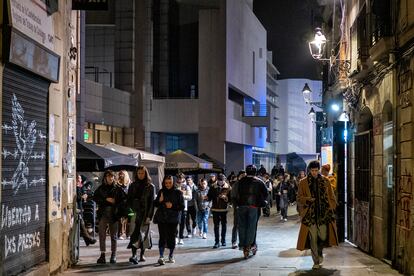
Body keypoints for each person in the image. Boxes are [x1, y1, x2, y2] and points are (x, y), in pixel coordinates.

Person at [296, 160, 339, 269]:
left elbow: (331, 195)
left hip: (323, 215)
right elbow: (299, 198)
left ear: (319, 170)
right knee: (313, 239)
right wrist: (308, 200)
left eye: (316, 170)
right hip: (310, 215)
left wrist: (332, 208)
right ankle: (316, 261)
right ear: (309, 170)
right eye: (312, 170)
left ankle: (319, 252)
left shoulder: (325, 181)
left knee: (323, 236)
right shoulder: (303, 182)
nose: (314, 172)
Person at [233, 165, 268, 259]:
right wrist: (261, 202)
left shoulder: (239, 182)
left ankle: (243, 246)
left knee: (242, 226)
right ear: (255, 172)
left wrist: (236, 205)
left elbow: (233, 194)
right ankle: (250, 245)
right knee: (252, 227)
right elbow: (266, 194)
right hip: (254, 207)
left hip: (241, 207)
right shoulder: (260, 182)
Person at [94, 170, 127, 264]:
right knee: (102, 235)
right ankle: (102, 255)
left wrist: (116, 202)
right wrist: (105, 199)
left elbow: (124, 200)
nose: (110, 178)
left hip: (114, 214)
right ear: (105, 177)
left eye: (112, 176)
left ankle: (113, 255)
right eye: (108, 176)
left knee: (114, 236)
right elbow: (95, 197)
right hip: (103, 214)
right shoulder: (101, 188)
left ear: (114, 177)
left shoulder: (118, 188)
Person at [127, 166, 156, 264]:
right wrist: (130, 215)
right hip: (134, 213)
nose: (140, 175)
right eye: (139, 173)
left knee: (144, 234)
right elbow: (129, 201)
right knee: (134, 233)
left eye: (142, 173)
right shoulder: (132, 185)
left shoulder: (150, 186)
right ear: (136, 174)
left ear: (146, 173)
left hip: (145, 214)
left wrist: (149, 216)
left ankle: (142, 255)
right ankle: (134, 255)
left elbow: (152, 203)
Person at [154, 175, 185, 265]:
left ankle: (171, 256)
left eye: (170, 183)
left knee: (172, 237)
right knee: (162, 237)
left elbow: (182, 206)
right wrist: (159, 200)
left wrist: (172, 206)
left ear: (173, 182)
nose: (167, 184)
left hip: (173, 219)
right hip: (162, 218)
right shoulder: (161, 192)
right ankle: (161, 256)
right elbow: (155, 204)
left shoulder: (178, 193)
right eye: (166, 183)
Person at [207, 173, 231, 248]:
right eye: (220, 180)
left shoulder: (228, 187)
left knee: (224, 225)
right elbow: (209, 196)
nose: (221, 182)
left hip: (224, 209)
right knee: (216, 226)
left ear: (225, 180)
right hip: (215, 209)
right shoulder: (213, 186)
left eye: (222, 181)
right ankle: (217, 242)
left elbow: (231, 198)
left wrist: (226, 198)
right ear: (217, 180)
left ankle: (223, 240)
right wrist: (206, 198)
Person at [76, 174, 96, 246]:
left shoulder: (80, 187)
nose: (79, 180)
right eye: (78, 178)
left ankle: (87, 240)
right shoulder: (75, 187)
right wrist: (82, 197)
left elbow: (90, 182)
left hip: (80, 209)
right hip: (77, 209)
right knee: (81, 224)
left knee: (82, 225)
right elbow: (77, 198)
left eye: (80, 179)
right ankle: (88, 239)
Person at [231, 170, 246, 249]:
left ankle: (243, 242)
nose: (244, 177)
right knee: (236, 225)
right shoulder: (236, 184)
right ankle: (234, 241)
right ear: (239, 176)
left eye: (245, 175)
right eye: (243, 175)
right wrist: (236, 206)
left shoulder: (247, 184)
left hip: (246, 208)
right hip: (238, 208)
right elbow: (233, 197)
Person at [176, 174, 192, 244]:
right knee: (175, 223)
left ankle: (181, 238)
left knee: (182, 224)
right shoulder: (175, 186)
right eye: (179, 178)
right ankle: (175, 237)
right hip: (175, 208)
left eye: (181, 178)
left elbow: (190, 197)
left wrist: (182, 196)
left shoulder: (186, 187)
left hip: (184, 208)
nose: (180, 180)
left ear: (183, 179)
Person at [117, 170, 131, 240]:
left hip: (129, 205)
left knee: (130, 219)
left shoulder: (130, 184)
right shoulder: (117, 184)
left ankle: (128, 234)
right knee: (120, 220)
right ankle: (120, 234)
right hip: (120, 205)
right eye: (120, 174)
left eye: (122, 174)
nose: (121, 176)